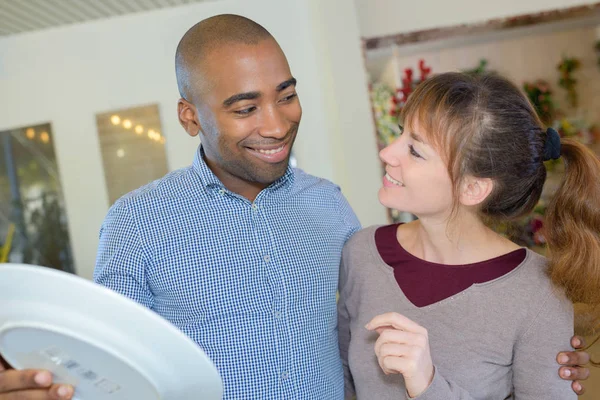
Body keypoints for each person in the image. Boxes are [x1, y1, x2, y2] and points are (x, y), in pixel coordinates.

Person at [0, 16, 590, 400]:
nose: (277, 124)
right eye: (244, 107)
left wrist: (540, 368)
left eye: (286, 96)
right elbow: (109, 372)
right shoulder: (135, 225)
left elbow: (371, 341)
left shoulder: (333, 212)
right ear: (190, 117)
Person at [338, 72, 599, 399]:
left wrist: (428, 384)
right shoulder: (360, 253)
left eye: (415, 150)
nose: (388, 153)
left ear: (472, 188)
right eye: (401, 133)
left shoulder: (538, 294)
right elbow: (341, 385)